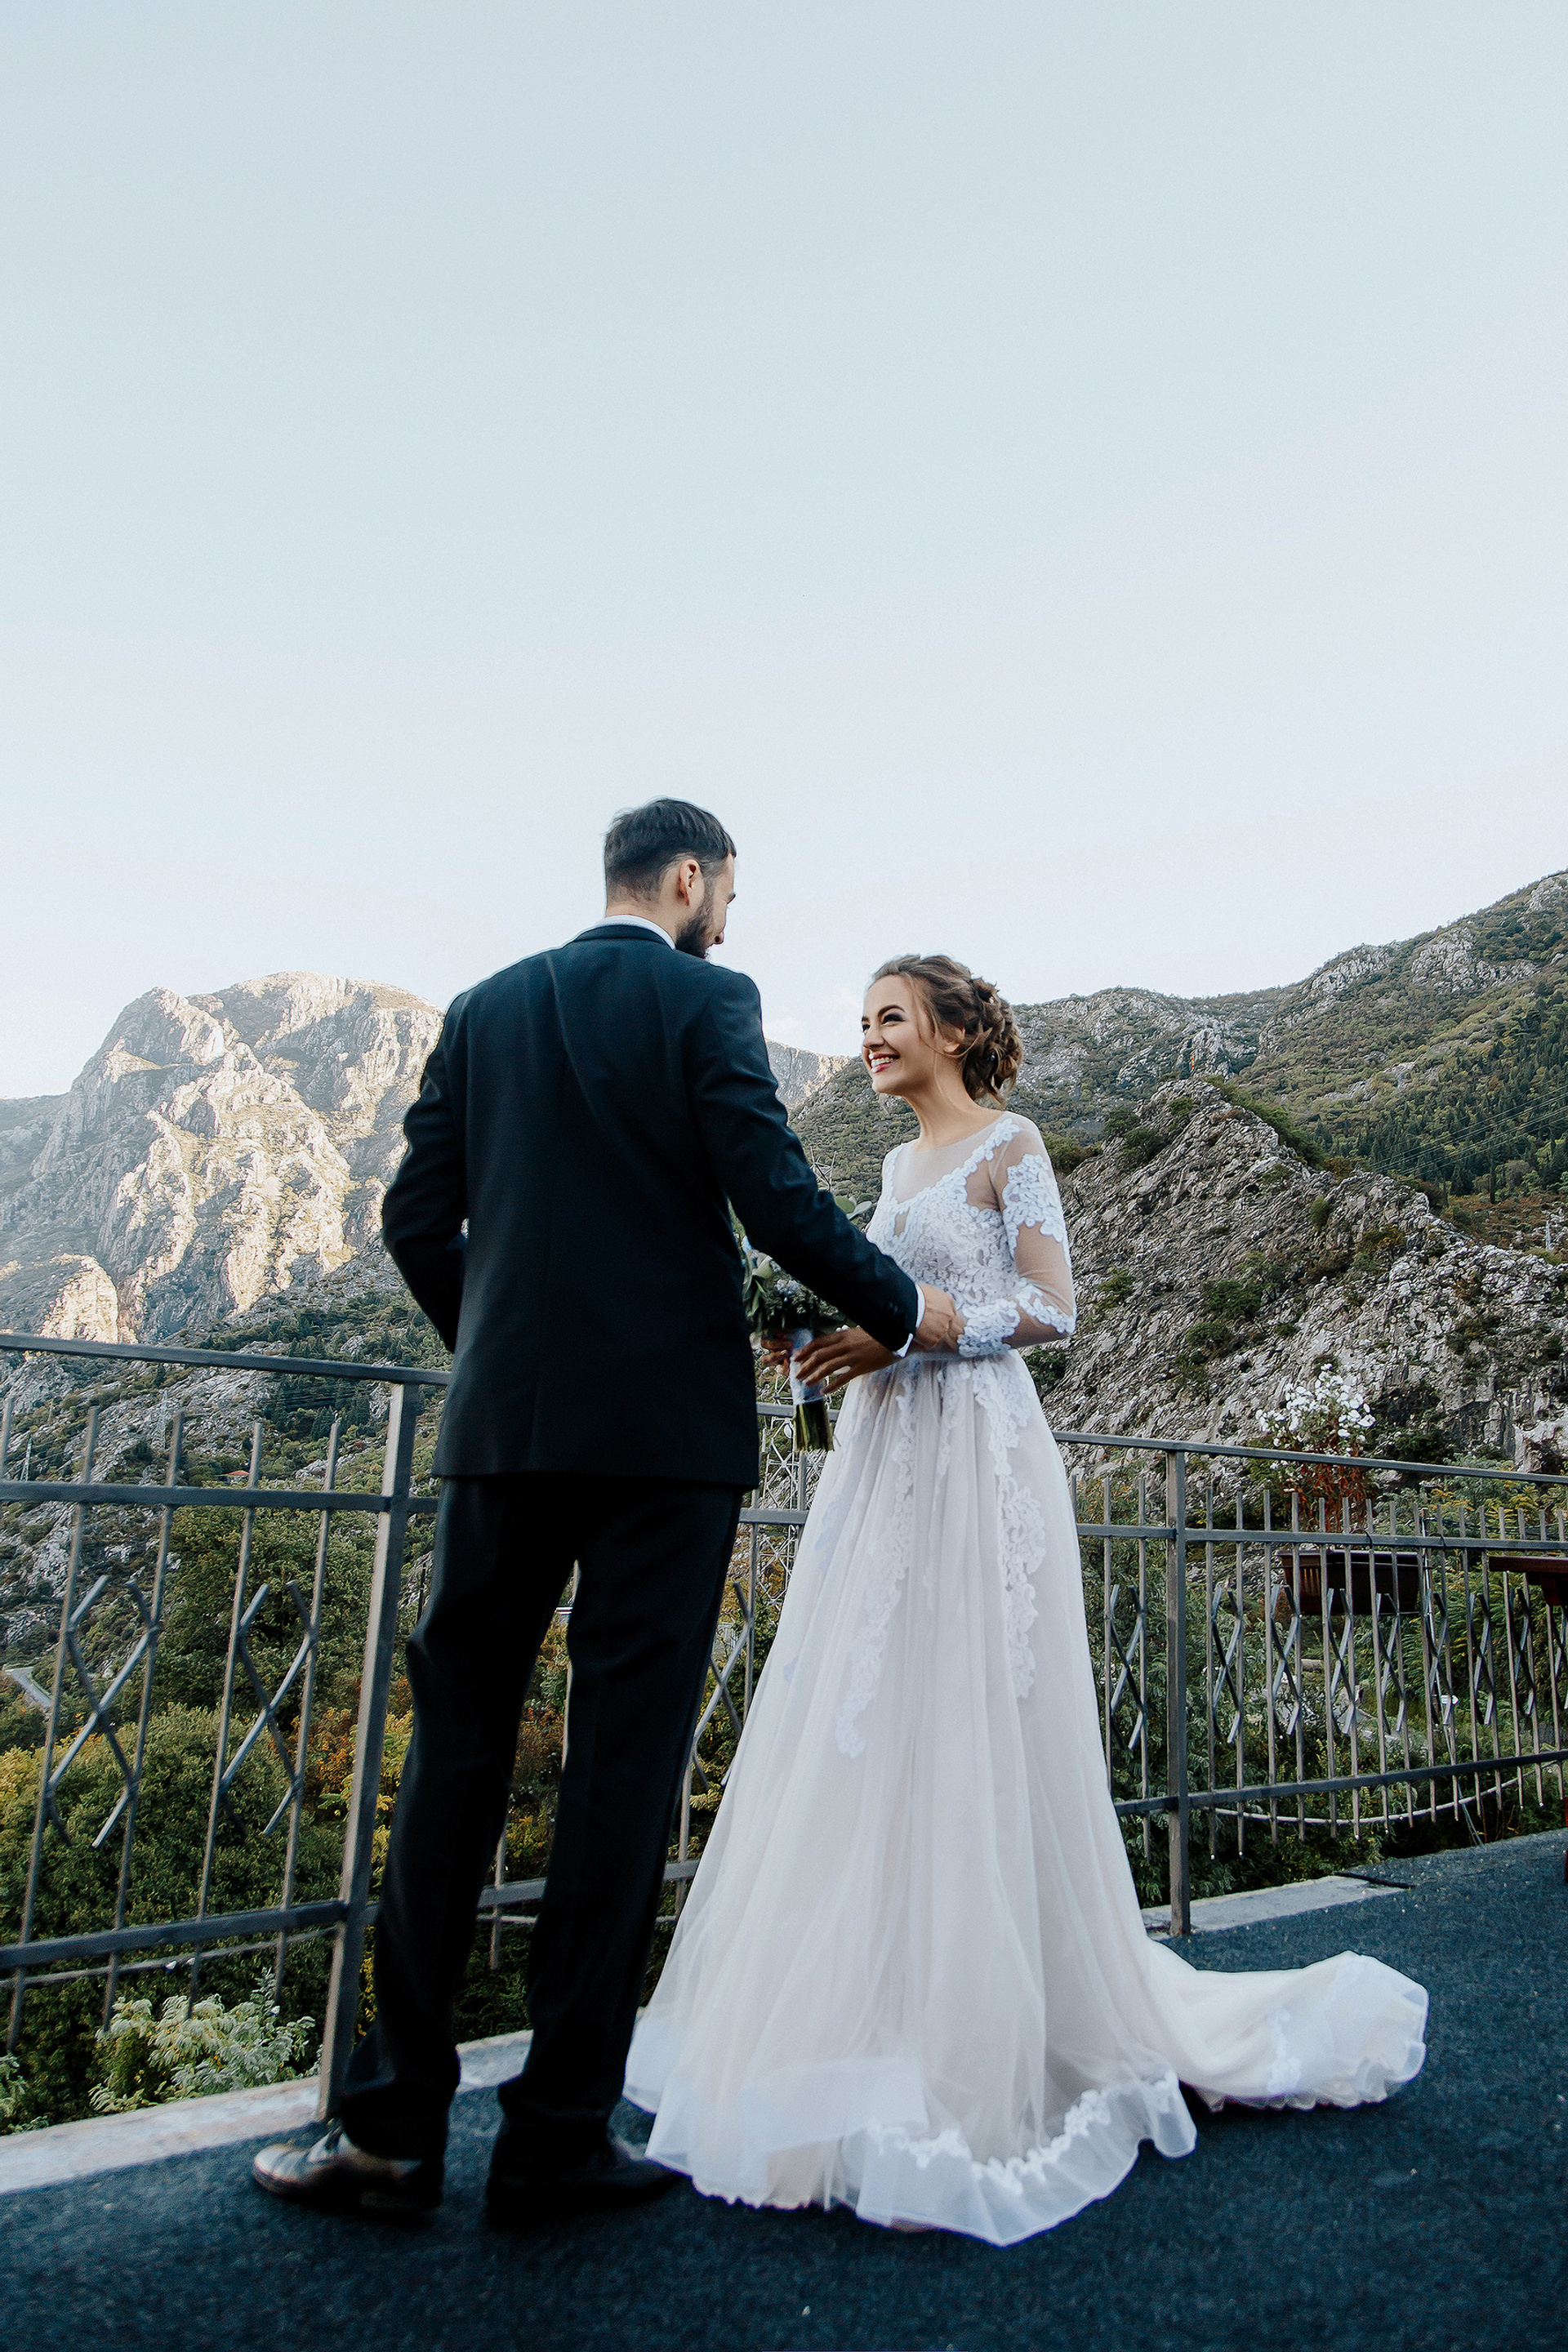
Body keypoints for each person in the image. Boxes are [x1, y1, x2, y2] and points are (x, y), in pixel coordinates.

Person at [624, 953, 1428, 2245]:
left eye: (891, 1018)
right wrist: (826, 1347)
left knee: (973, 1716)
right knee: (875, 1720)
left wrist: (909, 1327)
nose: (871, 1038)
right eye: (864, 1022)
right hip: (888, 1460)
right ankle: (878, 2017)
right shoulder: (893, 1171)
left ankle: (1001, 2028)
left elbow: (1056, 1309)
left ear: (952, 1031)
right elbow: (884, 1303)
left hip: (979, 1455)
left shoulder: (1013, 1145)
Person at [252, 801, 960, 2219]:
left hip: (507, 1433)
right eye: (729, 896)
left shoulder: (485, 1006)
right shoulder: (709, 1002)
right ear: (691, 878)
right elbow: (776, 1198)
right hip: (665, 1445)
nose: (728, 923)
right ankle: (558, 2137)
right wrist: (908, 1309)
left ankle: (388, 2133)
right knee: (622, 1773)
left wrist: (501, 1357)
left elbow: (412, 1219)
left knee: (452, 1757)